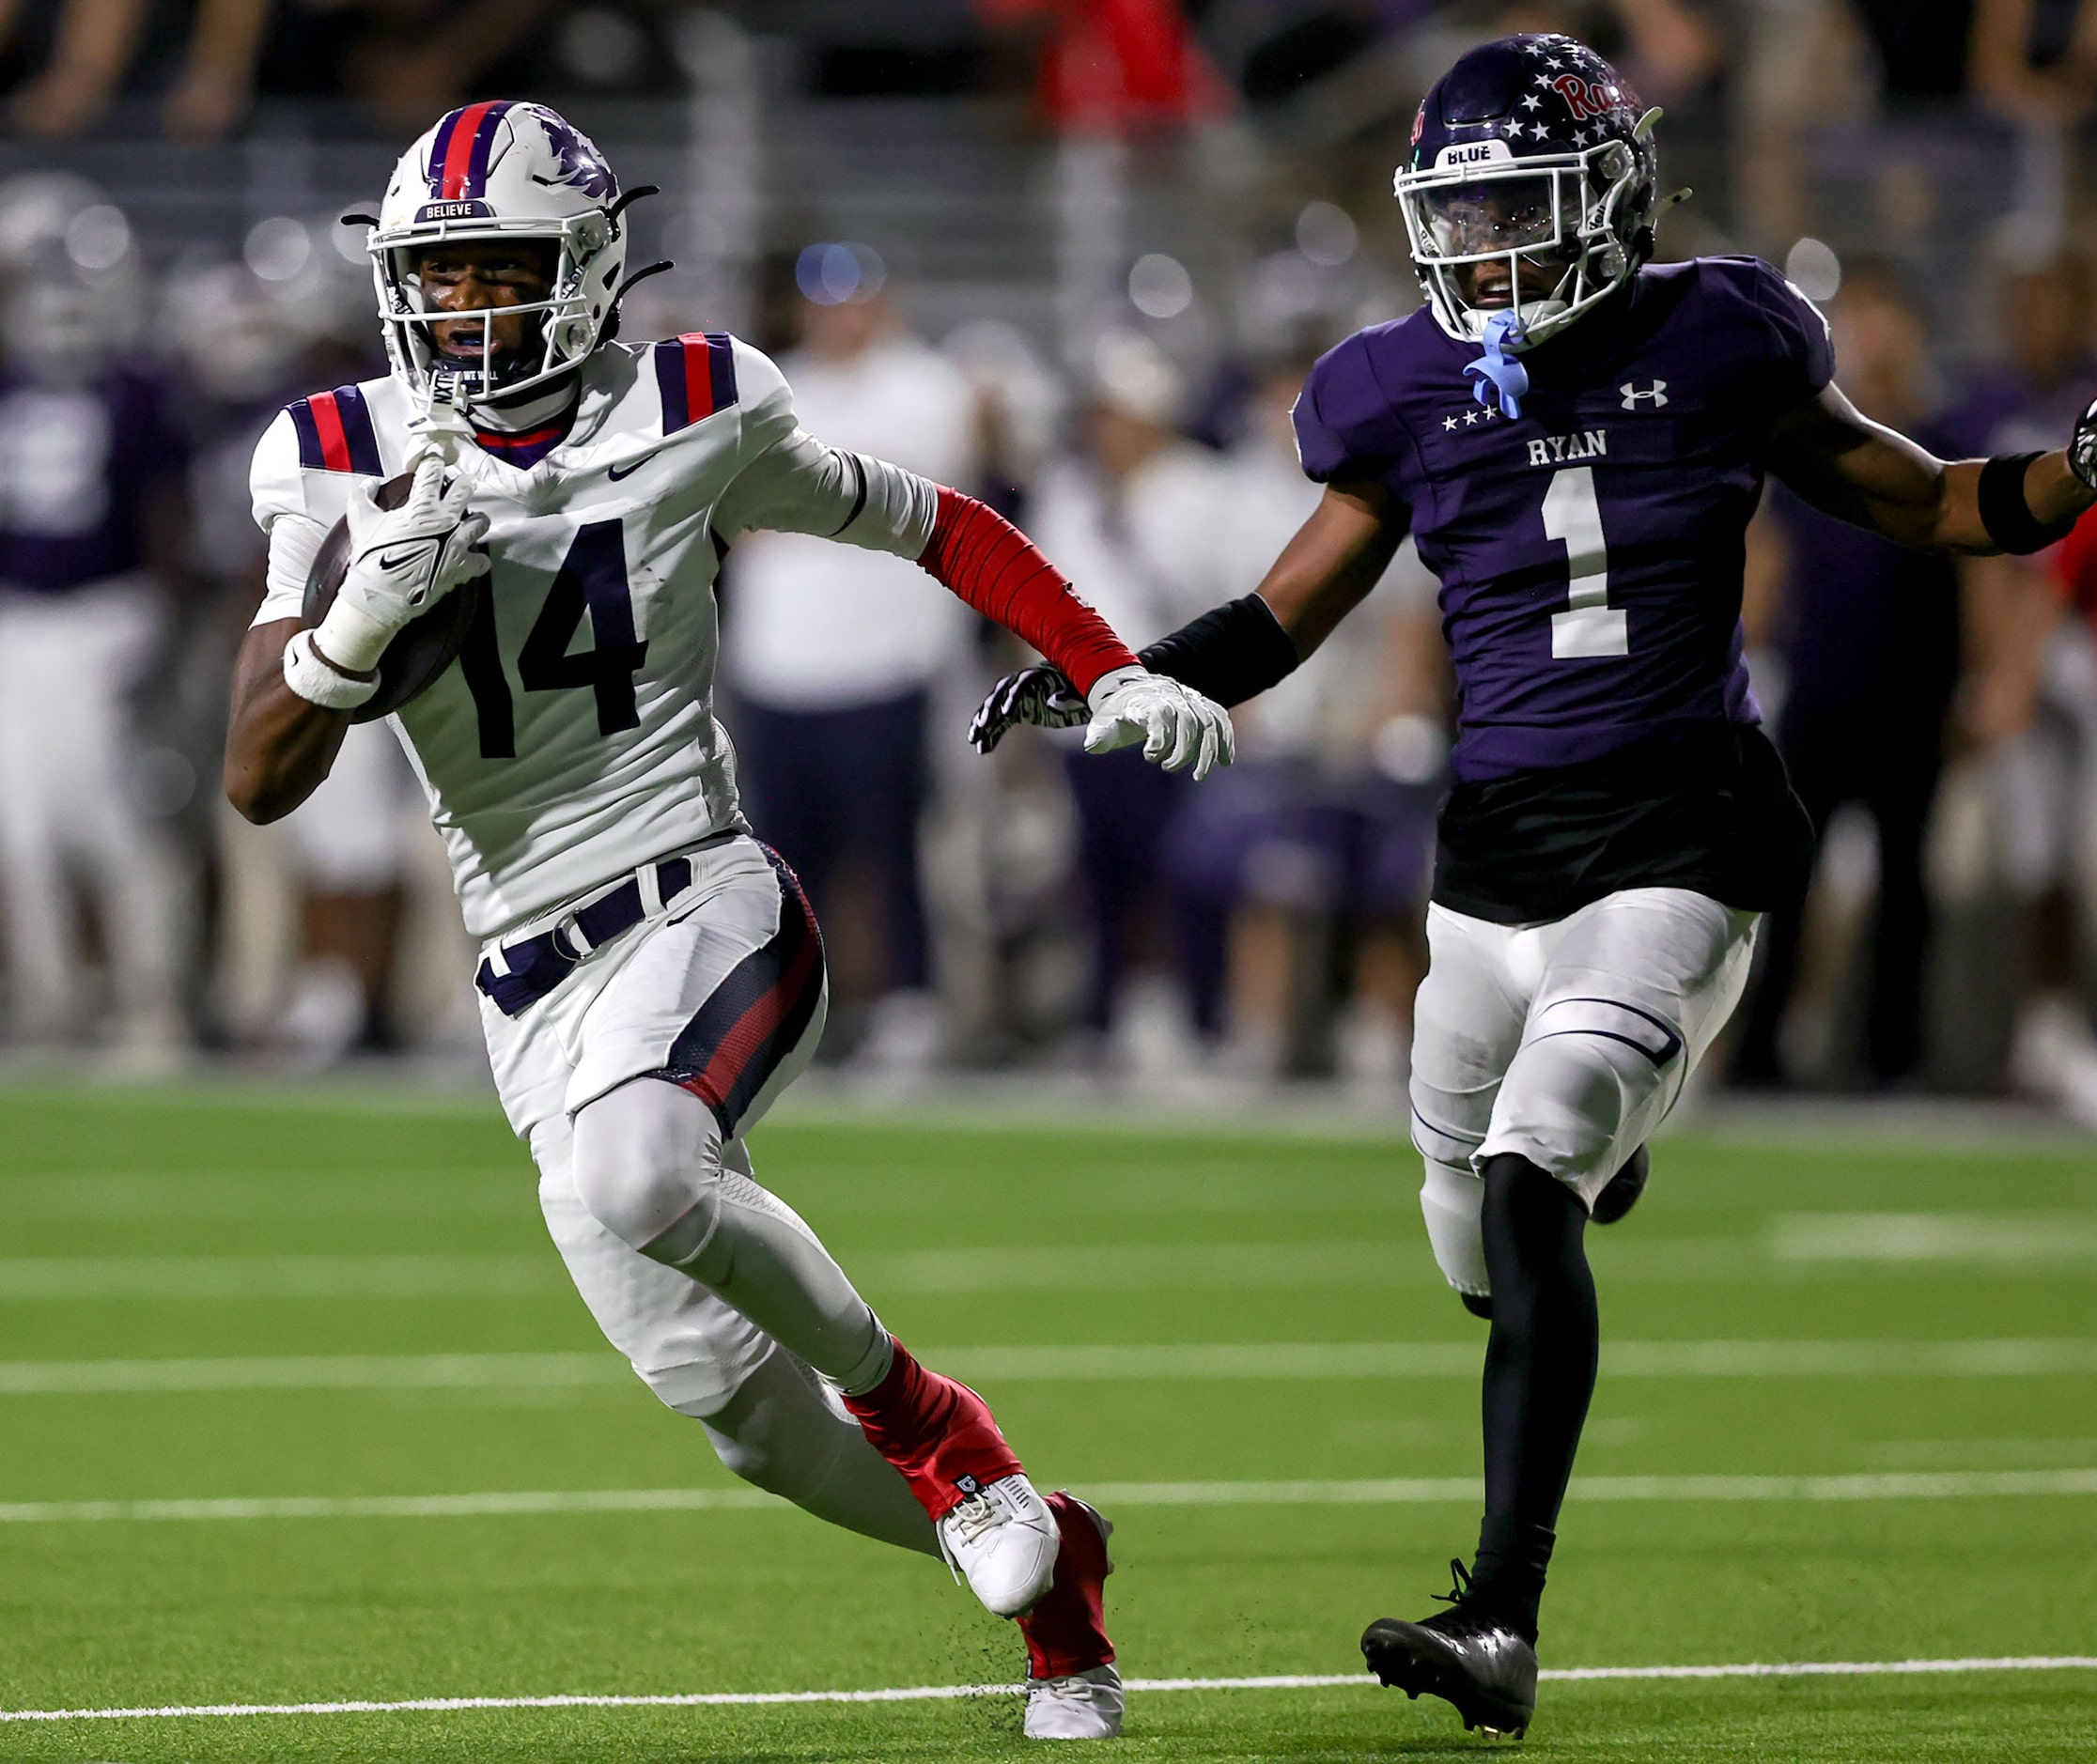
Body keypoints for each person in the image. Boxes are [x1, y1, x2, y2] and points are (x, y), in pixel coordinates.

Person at [970, 32, 2097, 1738]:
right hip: (1486, 867)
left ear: (1609, 198)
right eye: (1462, 211)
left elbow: (1933, 502)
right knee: (1469, 1234)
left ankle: (1498, 1610)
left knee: (1524, 1175)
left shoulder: (1721, 335)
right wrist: (1124, 674)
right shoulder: (1395, 382)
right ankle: (1592, 1144)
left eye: (1518, 205)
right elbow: (1286, 613)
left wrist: (2069, 480)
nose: (1485, 247)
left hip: (1681, 835)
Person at [222, 101, 1232, 1741]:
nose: (469, 310)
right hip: (520, 987)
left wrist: (1104, 661)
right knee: (748, 1422)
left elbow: (934, 522)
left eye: (502, 268)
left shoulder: (698, 400)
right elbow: (256, 769)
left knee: (640, 1163)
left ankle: (940, 1426)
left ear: (591, 264)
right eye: (441, 275)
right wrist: (352, 623)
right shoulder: (332, 450)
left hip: (704, 895)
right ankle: (1061, 1591)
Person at [720, 275, 981, 1073]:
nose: (837, 316)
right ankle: (800, 1010)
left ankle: (907, 1002)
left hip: (886, 659)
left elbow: (938, 488)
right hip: (777, 665)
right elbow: (731, 512)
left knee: (890, 850)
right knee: (785, 860)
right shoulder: (769, 385)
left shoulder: (926, 386)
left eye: (853, 298)